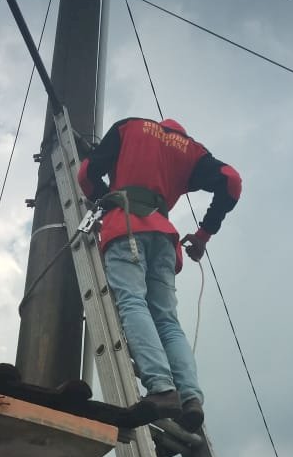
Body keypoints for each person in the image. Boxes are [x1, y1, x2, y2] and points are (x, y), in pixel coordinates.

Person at [77, 117, 242, 431]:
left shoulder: (130, 127)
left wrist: (104, 200)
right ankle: (190, 397)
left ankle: (162, 389)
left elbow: (85, 173)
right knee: (166, 319)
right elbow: (231, 181)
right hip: (164, 237)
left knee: (132, 303)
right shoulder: (191, 150)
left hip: (125, 225)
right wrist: (204, 234)